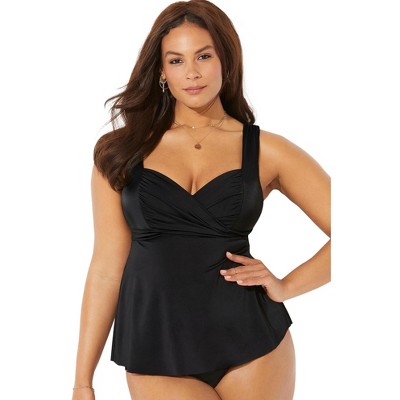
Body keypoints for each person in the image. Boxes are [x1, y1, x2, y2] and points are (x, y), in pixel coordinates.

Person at [72, 0, 331, 399]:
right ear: (161, 71)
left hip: (253, 343)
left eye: (204, 56)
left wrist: (285, 286)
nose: (191, 72)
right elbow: (107, 268)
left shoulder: (268, 151)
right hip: (155, 345)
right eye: (176, 61)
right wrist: (82, 381)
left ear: (226, 59)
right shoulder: (120, 152)